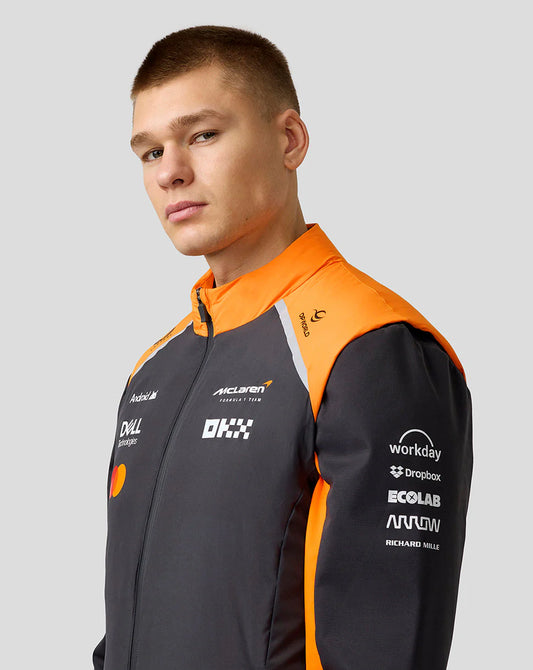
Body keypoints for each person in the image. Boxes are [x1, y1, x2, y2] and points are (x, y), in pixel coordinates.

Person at [93, 25, 473, 670]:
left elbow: (384, 646)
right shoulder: (153, 370)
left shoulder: (369, 348)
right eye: (150, 152)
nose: (170, 173)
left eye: (202, 135)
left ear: (290, 139)